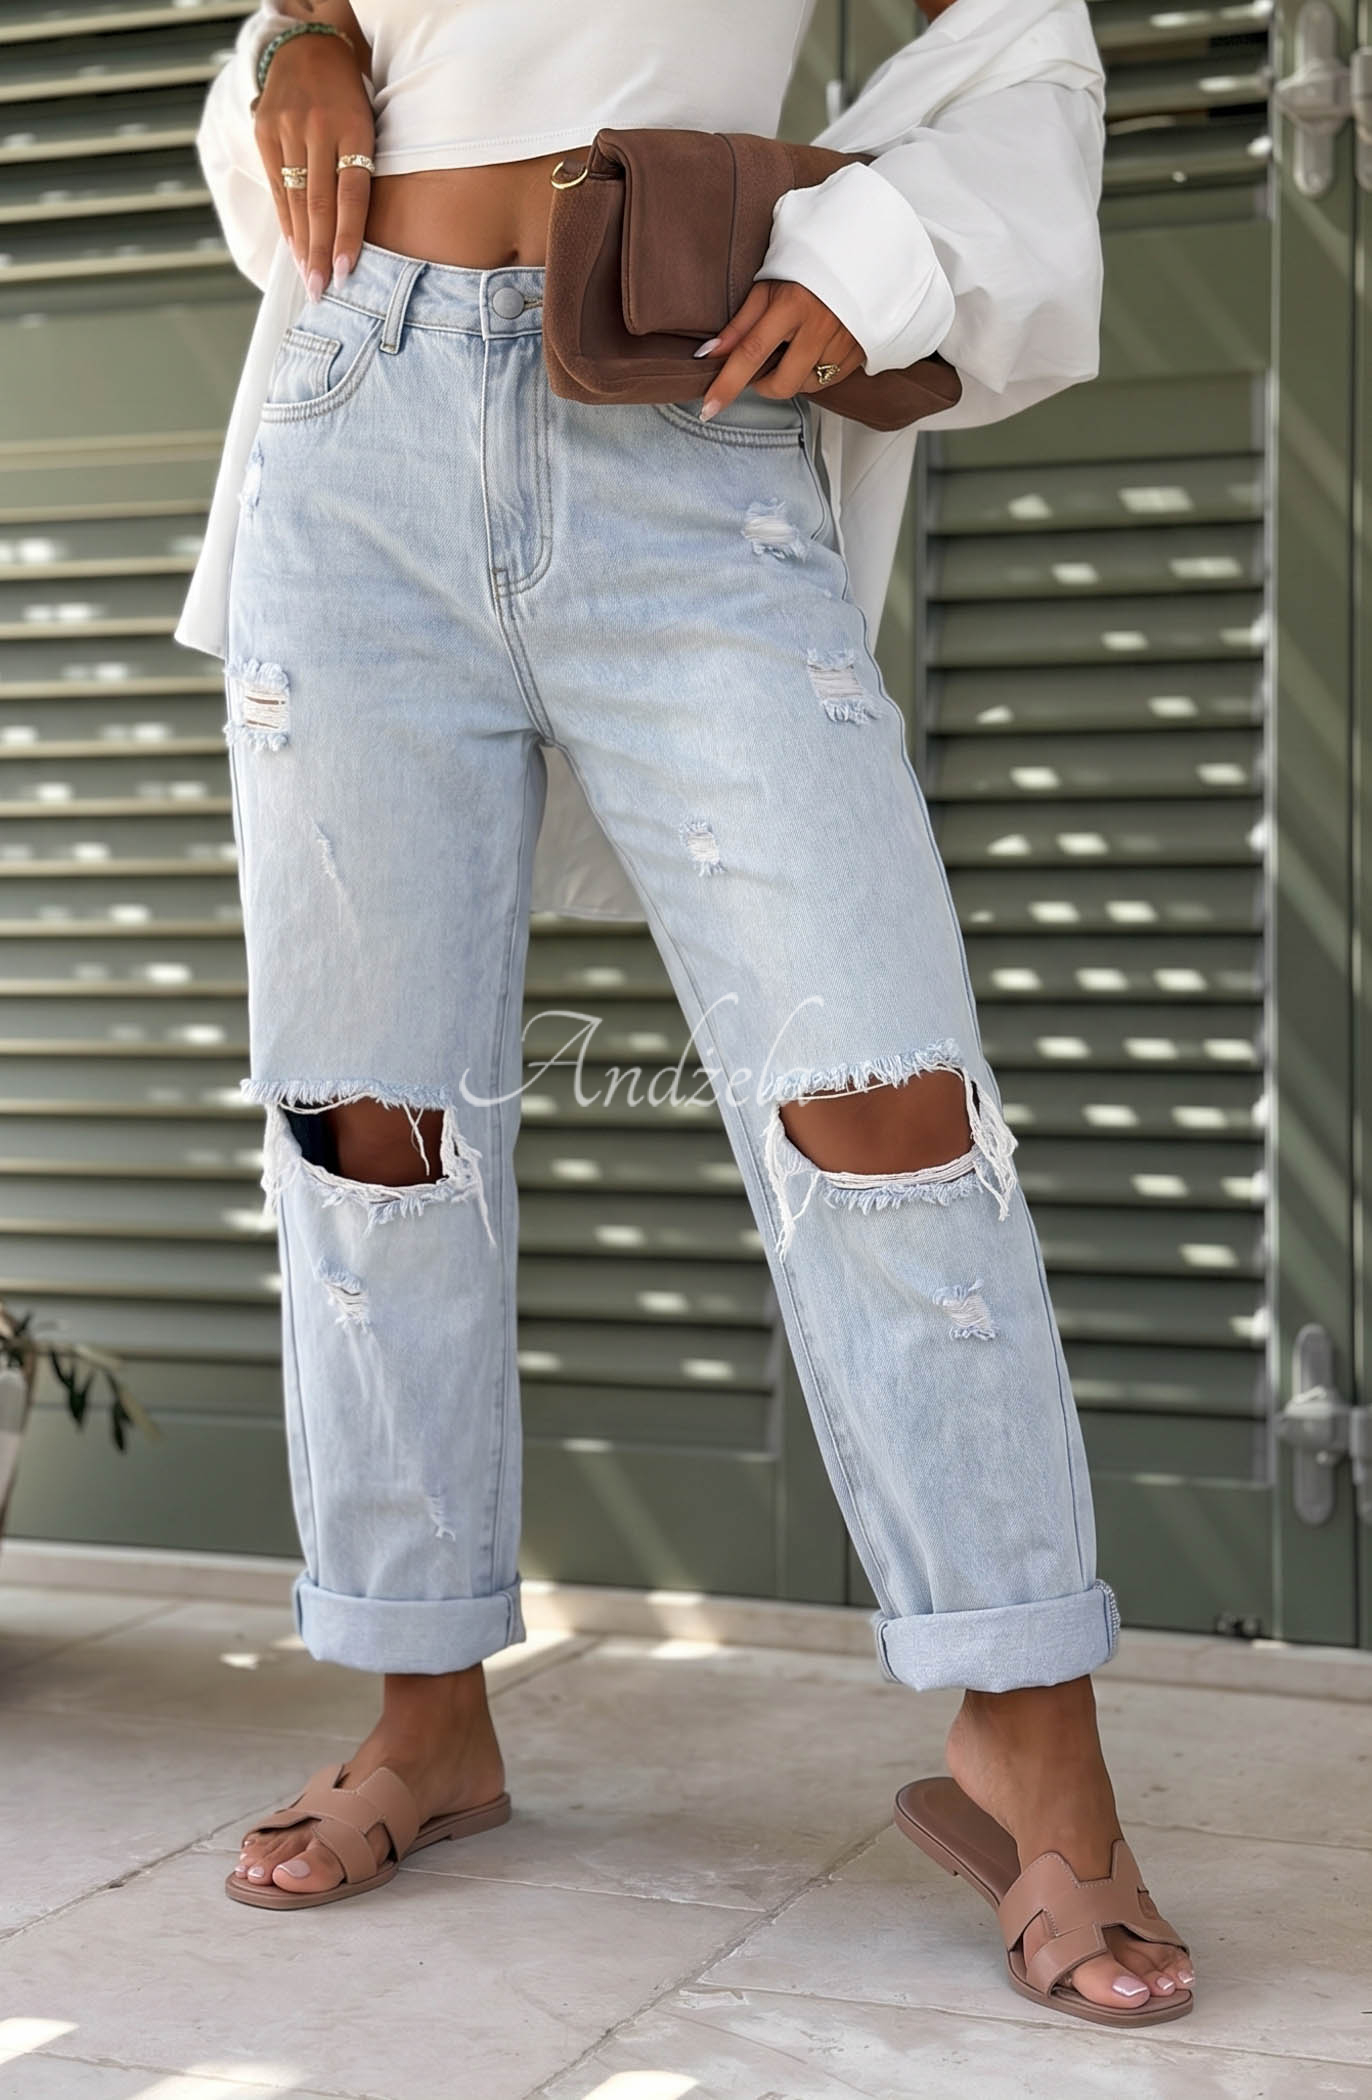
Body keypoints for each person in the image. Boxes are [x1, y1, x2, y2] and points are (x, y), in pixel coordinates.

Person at [176, 0, 1196, 2026]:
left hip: (679, 411)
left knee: (884, 1102)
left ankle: (1029, 1738)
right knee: (369, 1119)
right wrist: (294, 35)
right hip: (353, 400)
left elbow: (1023, 48)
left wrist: (872, 260)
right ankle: (423, 1705)